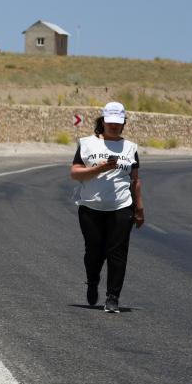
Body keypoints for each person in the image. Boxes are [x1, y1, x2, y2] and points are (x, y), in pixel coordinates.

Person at [71, 102, 144, 313]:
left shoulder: (130, 148)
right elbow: (75, 173)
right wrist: (100, 167)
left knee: (118, 253)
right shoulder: (87, 144)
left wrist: (139, 210)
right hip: (90, 207)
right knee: (94, 251)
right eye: (110, 122)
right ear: (103, 121)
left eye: (118, 123)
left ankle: (113, 297)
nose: (113, 126)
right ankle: (92, 281)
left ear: (123, 124)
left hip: (121, 207)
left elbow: (135, 181)